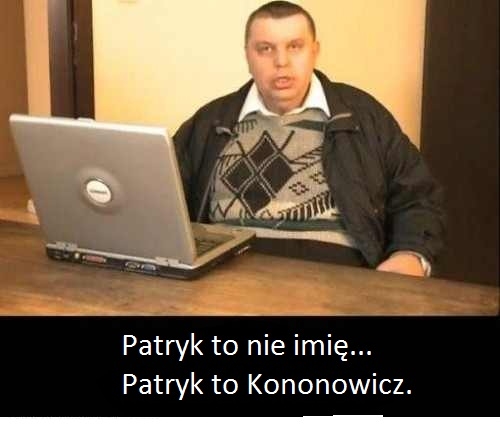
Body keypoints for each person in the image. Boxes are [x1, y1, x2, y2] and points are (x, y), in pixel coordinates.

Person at [174, 1, 444, 277]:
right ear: (247, 56)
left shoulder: (364, 116)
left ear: (315, 51)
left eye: (295, 46)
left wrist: (410, 254)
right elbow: (163, 199)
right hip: (226, 283)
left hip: (339, 281)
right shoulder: (210, 122)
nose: (281, 61)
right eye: (265, 49)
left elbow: (418, 197)